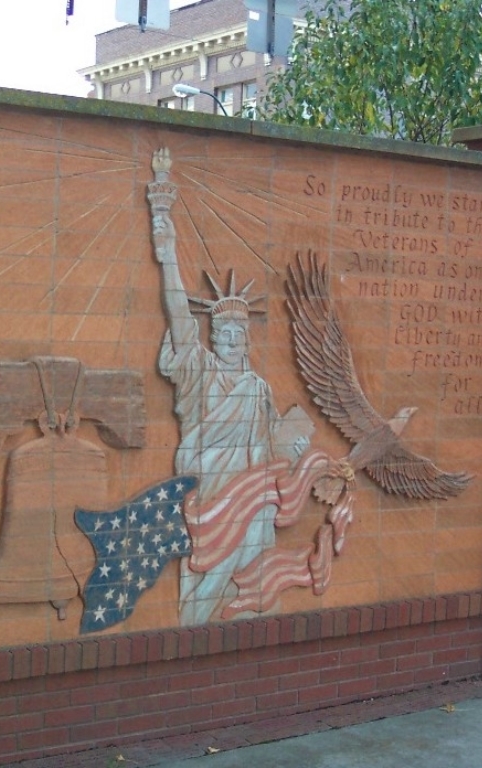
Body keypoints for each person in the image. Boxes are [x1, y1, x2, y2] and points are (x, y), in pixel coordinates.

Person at [148, 153, 309, 624]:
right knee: (202, 589)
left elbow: (270, 440)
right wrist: (165, 232)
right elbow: (177, 308)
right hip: (210, 494)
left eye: (241, 336)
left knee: (250, 589)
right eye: (225, 336)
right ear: (213, 339)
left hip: (250, 496)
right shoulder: (197, 369)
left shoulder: (258, 388)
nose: (234, 343)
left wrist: (295, 450)